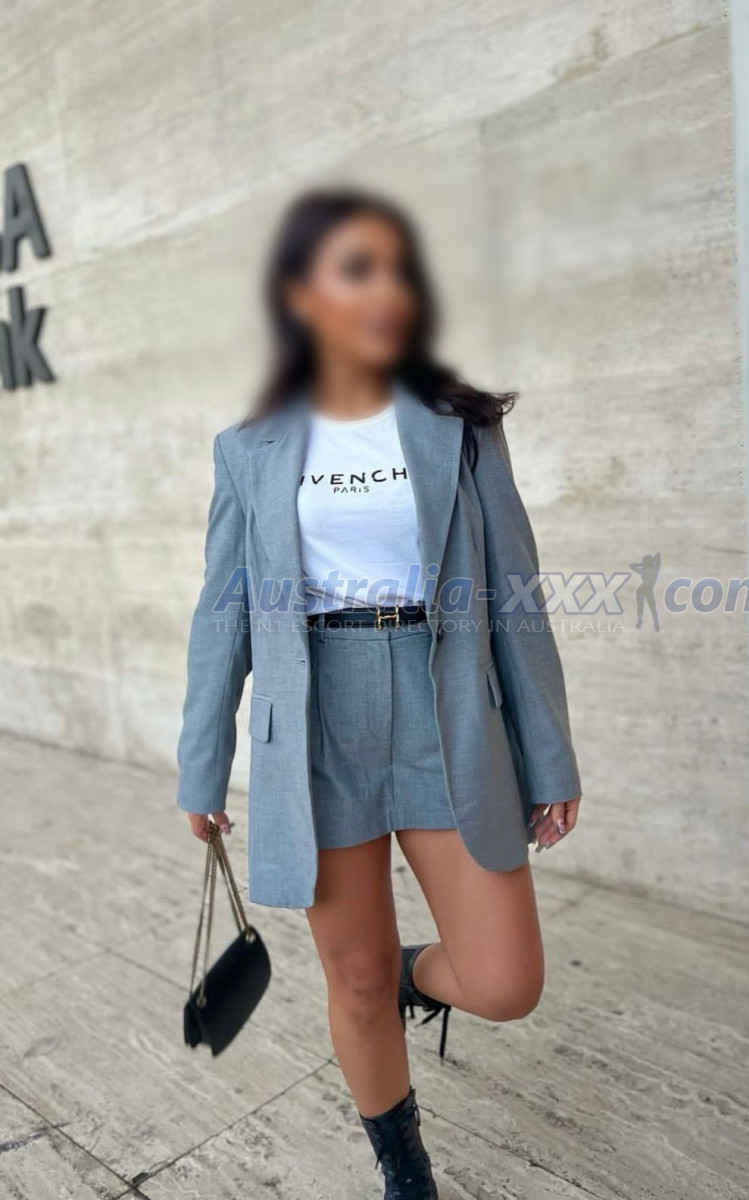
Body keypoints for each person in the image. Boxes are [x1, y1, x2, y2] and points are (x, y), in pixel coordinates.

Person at [176, 189, 581, 1198]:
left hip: (446, 712)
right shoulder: (249, 450)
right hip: (313, 724)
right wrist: (201, 766)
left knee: (504, 982)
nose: (384, 289)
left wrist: (549, 756)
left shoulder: (458, 429)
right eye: (356, 268)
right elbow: (223, 614)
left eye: (396, 270)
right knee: (350, 982)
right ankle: (405, 1172)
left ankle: (414, 974)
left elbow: (514, 598)